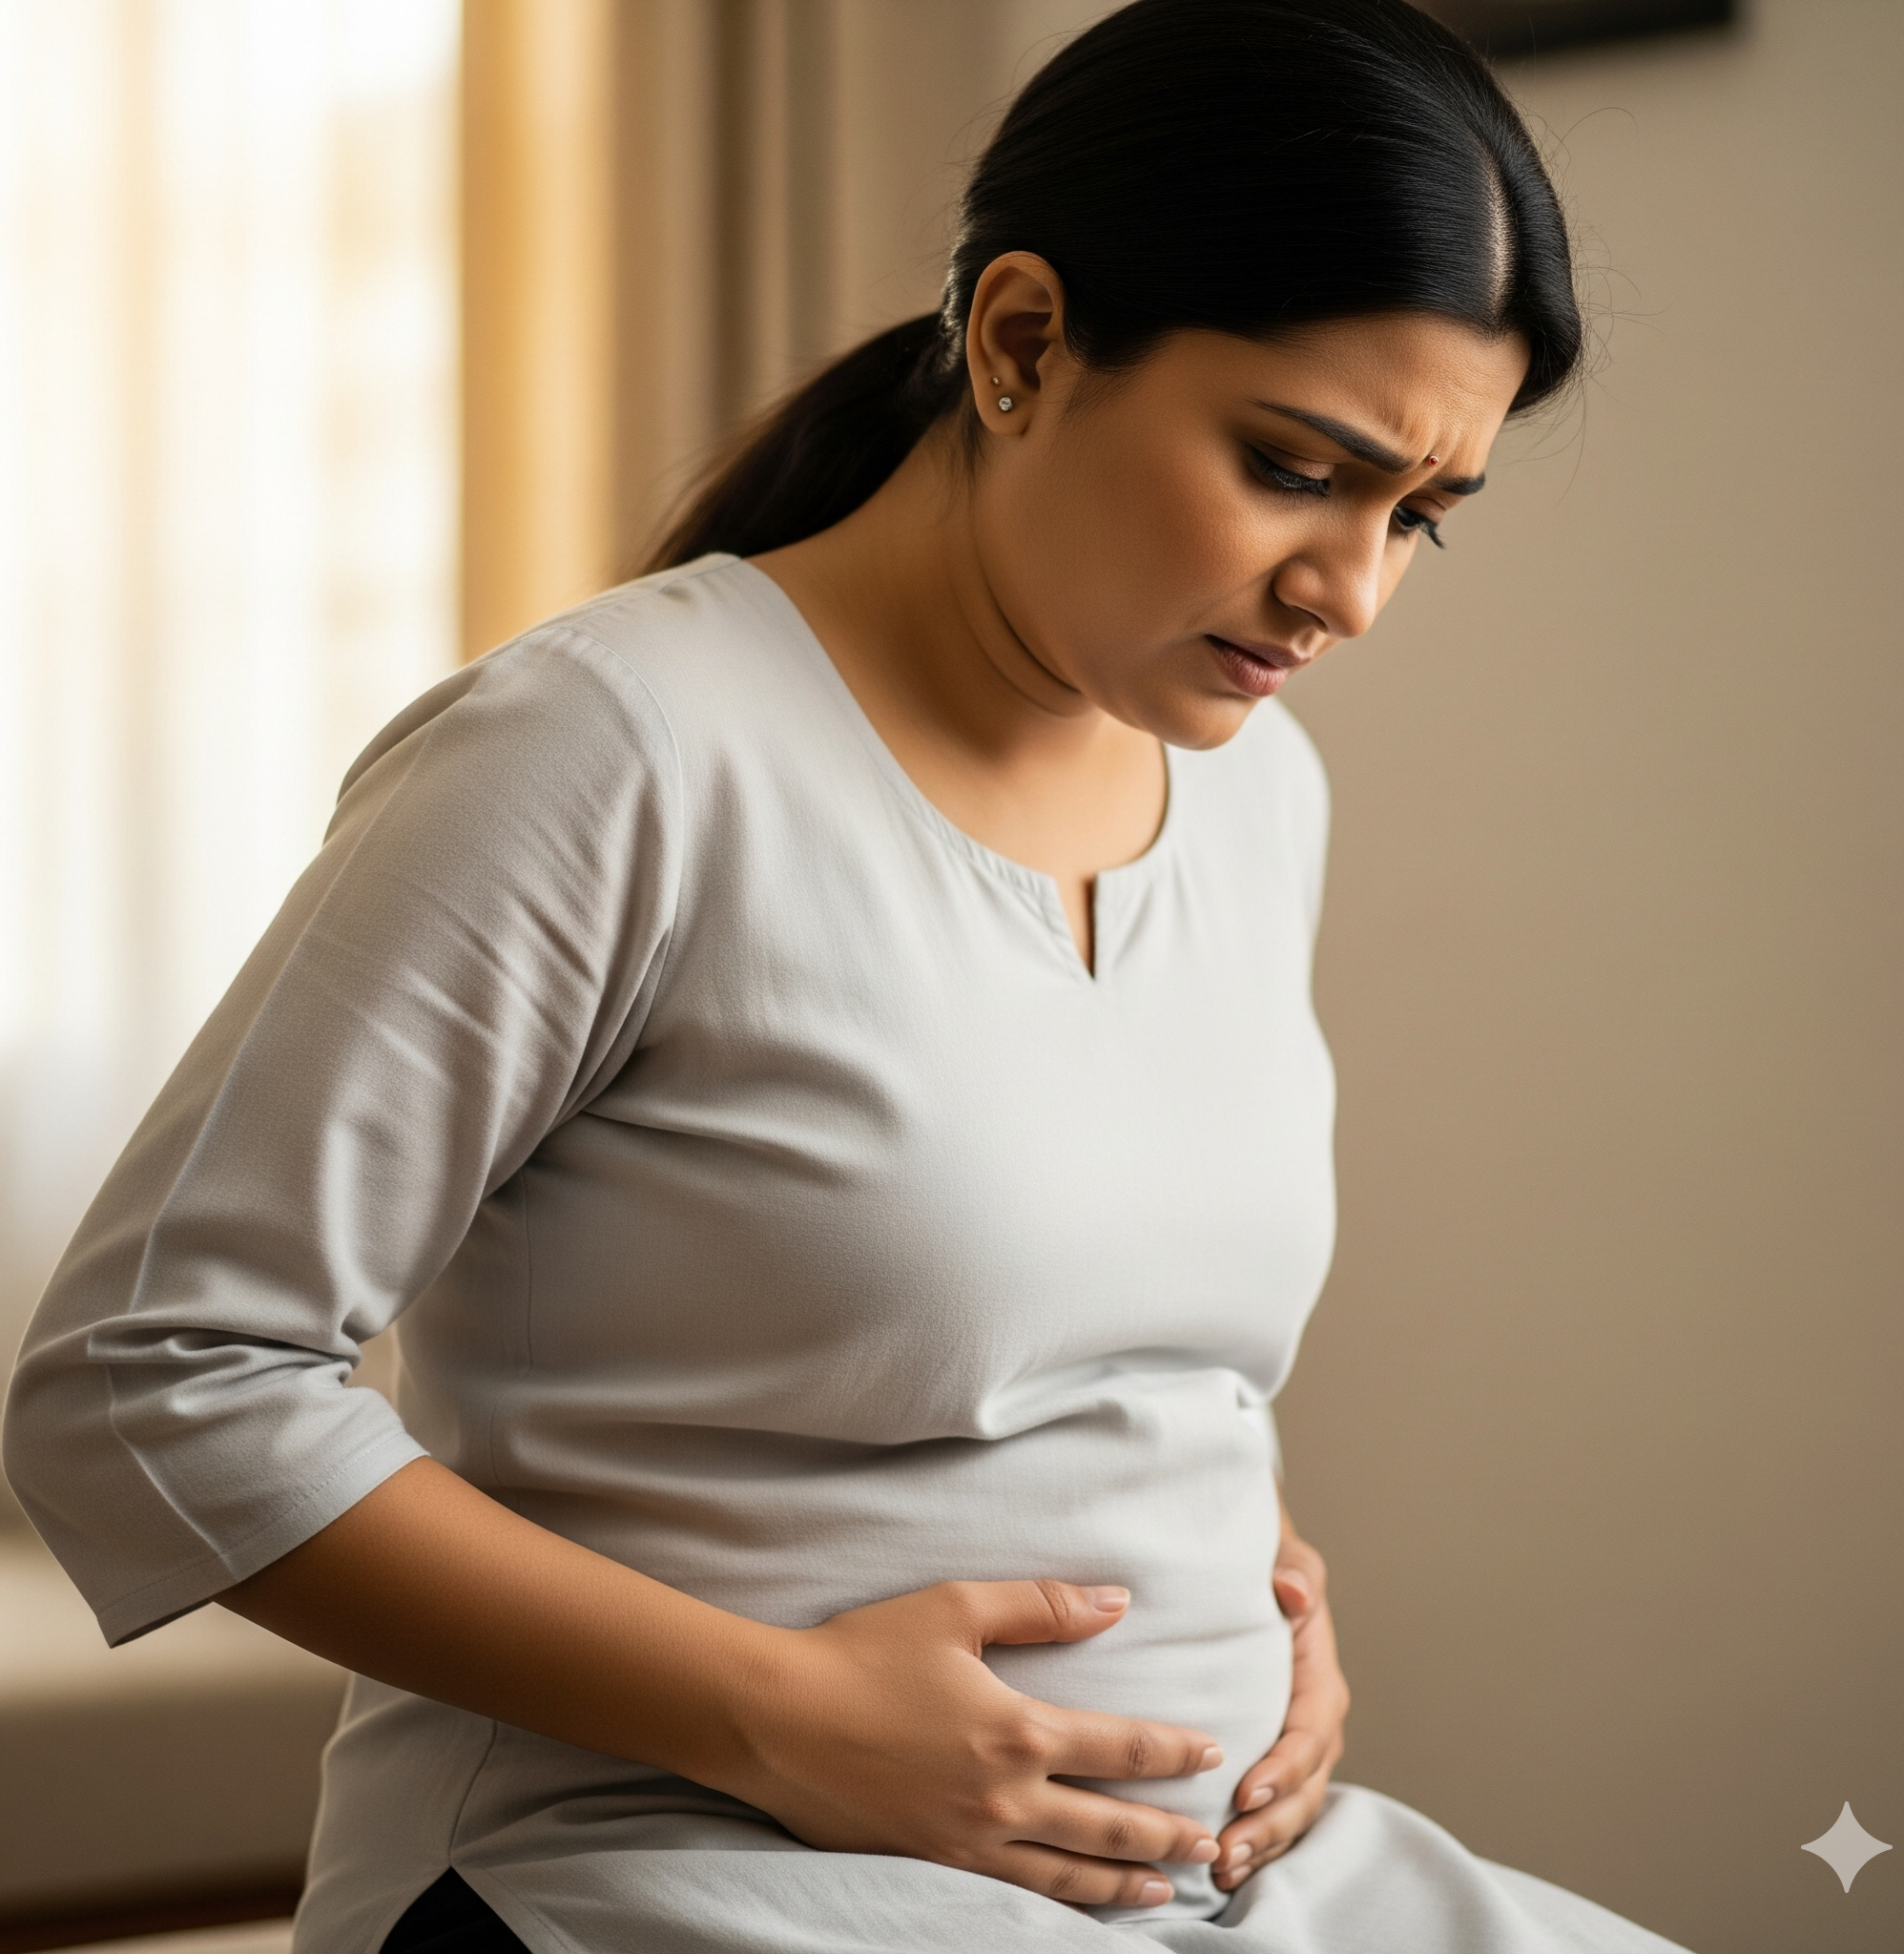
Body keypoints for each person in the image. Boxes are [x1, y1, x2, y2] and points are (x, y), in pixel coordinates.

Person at [2, 2, 1689, 1949]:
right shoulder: (612, 745)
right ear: (1024, 342)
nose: (1354, 590)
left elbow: (1101, 1337)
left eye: (1420, 519)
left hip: (1218, 1876)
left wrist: (1262, 1605)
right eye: (1294, 469)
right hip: (683, 1868)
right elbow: (153, 1379)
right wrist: (785, 1715)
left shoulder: (1250, 795)